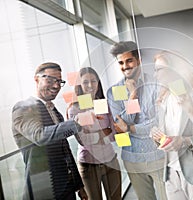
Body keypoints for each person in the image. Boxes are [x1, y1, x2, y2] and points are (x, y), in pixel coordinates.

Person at [11, 62, 88, 200]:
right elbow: (40, 136)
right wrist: (76, 122)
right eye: (51, 80)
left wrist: (79, 186)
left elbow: (66, 150)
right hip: (44, 189)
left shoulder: (54, 111)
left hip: (67, 188)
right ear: (36, 79)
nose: (56, 86)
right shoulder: (22, 108)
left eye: (59, 81)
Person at [150, 51, 193, 200]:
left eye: (159, 70)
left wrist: (192, 114)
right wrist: (156, 136)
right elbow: (166, 134)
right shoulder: (164, 100)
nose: (155, 75)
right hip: (170, 173)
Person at [106, 41, 167, 200]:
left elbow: (159, 122)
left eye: (129, 61)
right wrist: (133, 96)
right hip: (132, 159)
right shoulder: (115, 91)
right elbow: (119, 127)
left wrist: (131, 128)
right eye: (121, 62)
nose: (125, 66)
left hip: (158, 155)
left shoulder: (155, 84)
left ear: (138, 60)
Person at [67, 67, 121, 200]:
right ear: (79, 85)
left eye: (93, 81)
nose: (90, 85)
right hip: (89, 166)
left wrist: (97, 135)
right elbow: (83, 140)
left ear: (98, 83)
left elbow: (115, 133)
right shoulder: (74, 108)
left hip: (111, 161)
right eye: (85, 82)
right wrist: (103, 134)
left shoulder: (103, 103)